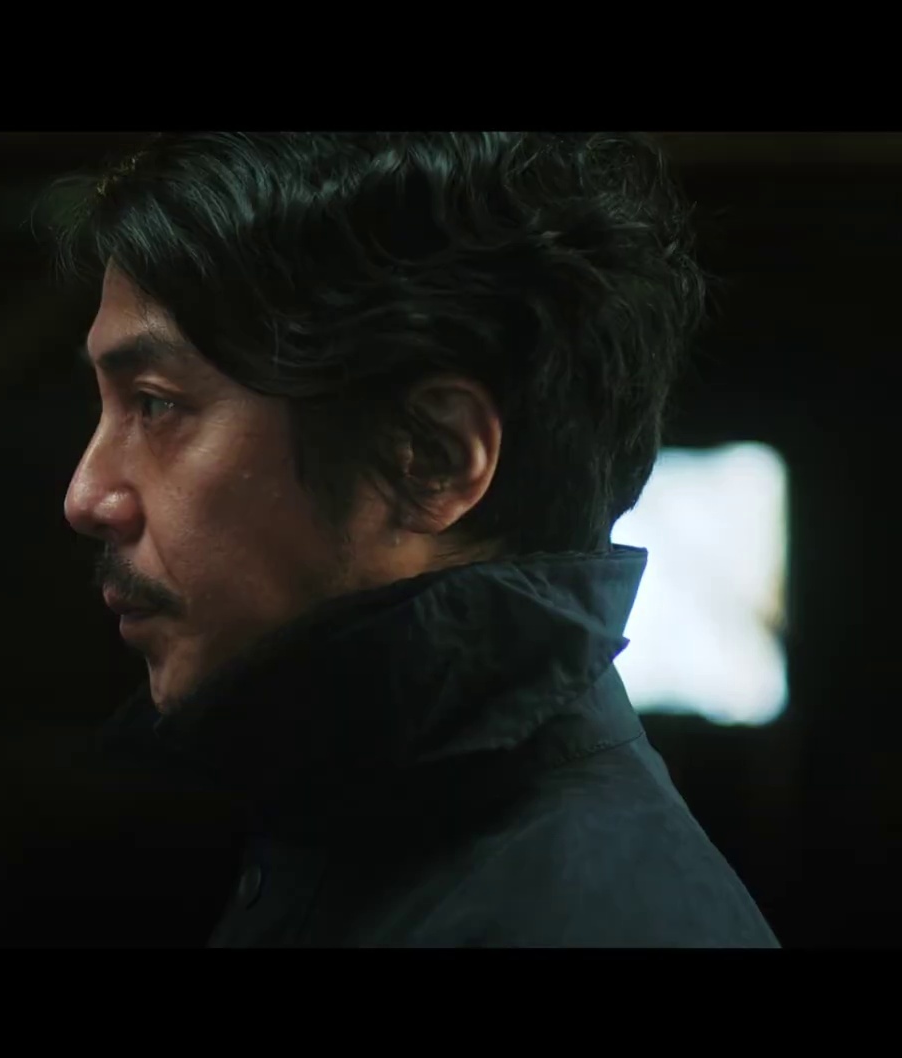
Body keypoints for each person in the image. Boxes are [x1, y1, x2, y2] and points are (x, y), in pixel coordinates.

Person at [52, 132, 779, 947]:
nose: (87, 496)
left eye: (156, 405)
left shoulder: (595, 923)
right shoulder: (354, 828)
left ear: (431, 457)